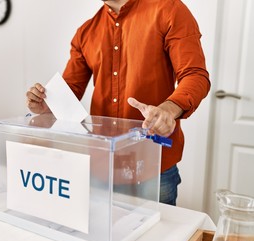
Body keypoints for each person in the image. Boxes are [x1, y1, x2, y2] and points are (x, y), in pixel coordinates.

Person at [25, 0, 210, 205]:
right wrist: (47, 105)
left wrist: (168, 109)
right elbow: (71, 89)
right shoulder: (85, 32)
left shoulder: (169, 10)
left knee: (158, 236)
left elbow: (195, 74)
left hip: (154, 164)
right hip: (102, 164)